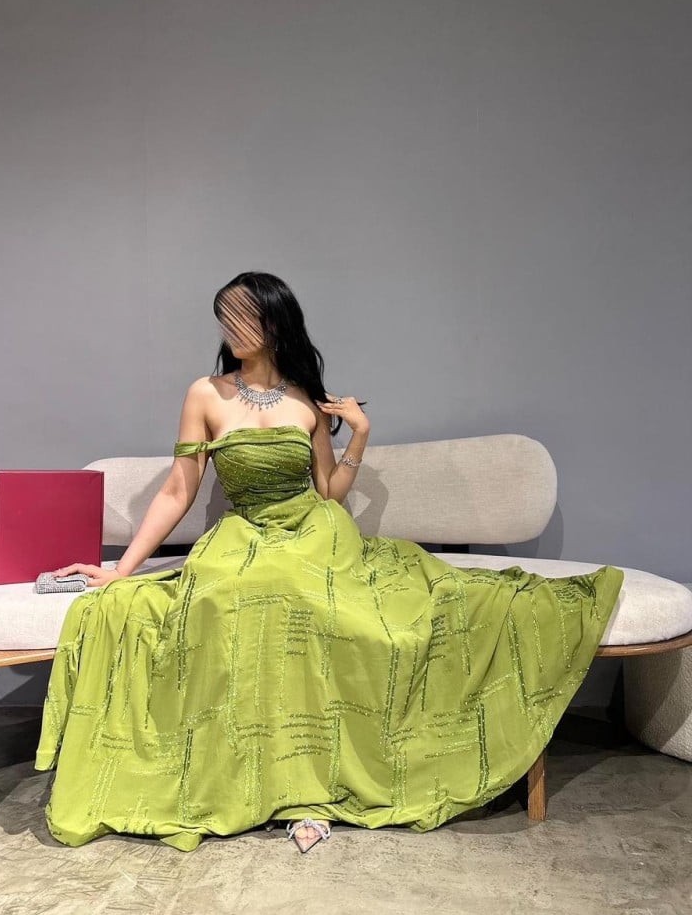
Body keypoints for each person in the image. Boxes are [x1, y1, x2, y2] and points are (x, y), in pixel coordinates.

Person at [34, 271, 624, 855]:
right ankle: (264, 778)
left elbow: (328, 493)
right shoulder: (205, 394)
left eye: (242, 316)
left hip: (315, 534)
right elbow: (177, 490)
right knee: (232, 598)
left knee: (318, 604)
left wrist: (358, 436)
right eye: (224, 317)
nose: (229, 327)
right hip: (245, 534)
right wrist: (122, 570)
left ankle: (311, 786)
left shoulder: (305, 401)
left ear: (274, 321)